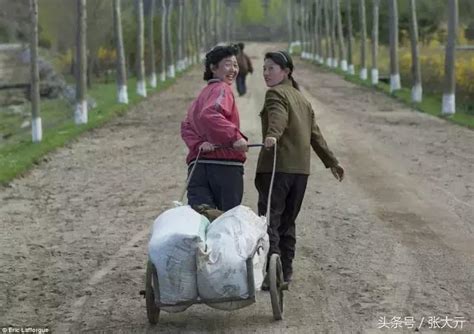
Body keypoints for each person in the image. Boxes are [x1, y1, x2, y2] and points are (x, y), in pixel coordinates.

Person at [256, 50, 345, 286]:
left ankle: (272, 272)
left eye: (271, 68)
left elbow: (278, 117)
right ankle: (285, 270)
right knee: (288, 221)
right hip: (300, 172)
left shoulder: (276, 94)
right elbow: (316, 135)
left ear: (286, 72)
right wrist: (332, 161)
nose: (266, 73)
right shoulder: (302, 99)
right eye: (264, 68)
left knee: (269, 220)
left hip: (277, 167)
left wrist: (273, 135)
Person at [181, 44, 248, 212]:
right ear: (213, 68)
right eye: (228, 64)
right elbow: (210, 113)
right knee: (226, 221)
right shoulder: (222, 89)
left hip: (198, 168)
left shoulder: (202, 95)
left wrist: (198, 145)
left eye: (235, 65)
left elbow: (186, 125)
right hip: (224, 167)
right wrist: (235, 137)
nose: (233, 69)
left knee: (201, 220)